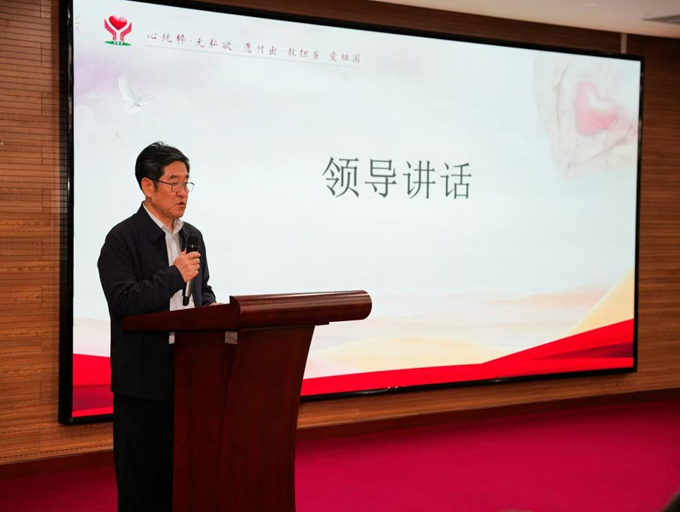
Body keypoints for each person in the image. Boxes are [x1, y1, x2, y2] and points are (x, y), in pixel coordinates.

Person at [98, 142, 217, 512]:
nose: (183, 192)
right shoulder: (122, 239)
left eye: (186, 182)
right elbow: (123, 301)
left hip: (190, 371)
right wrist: (173, 275)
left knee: (184, 474)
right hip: (144, 377)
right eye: (173, 182)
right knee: (144, 479)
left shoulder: (192, 235)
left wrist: (212, 310)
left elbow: (202, 290)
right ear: (147, 186)